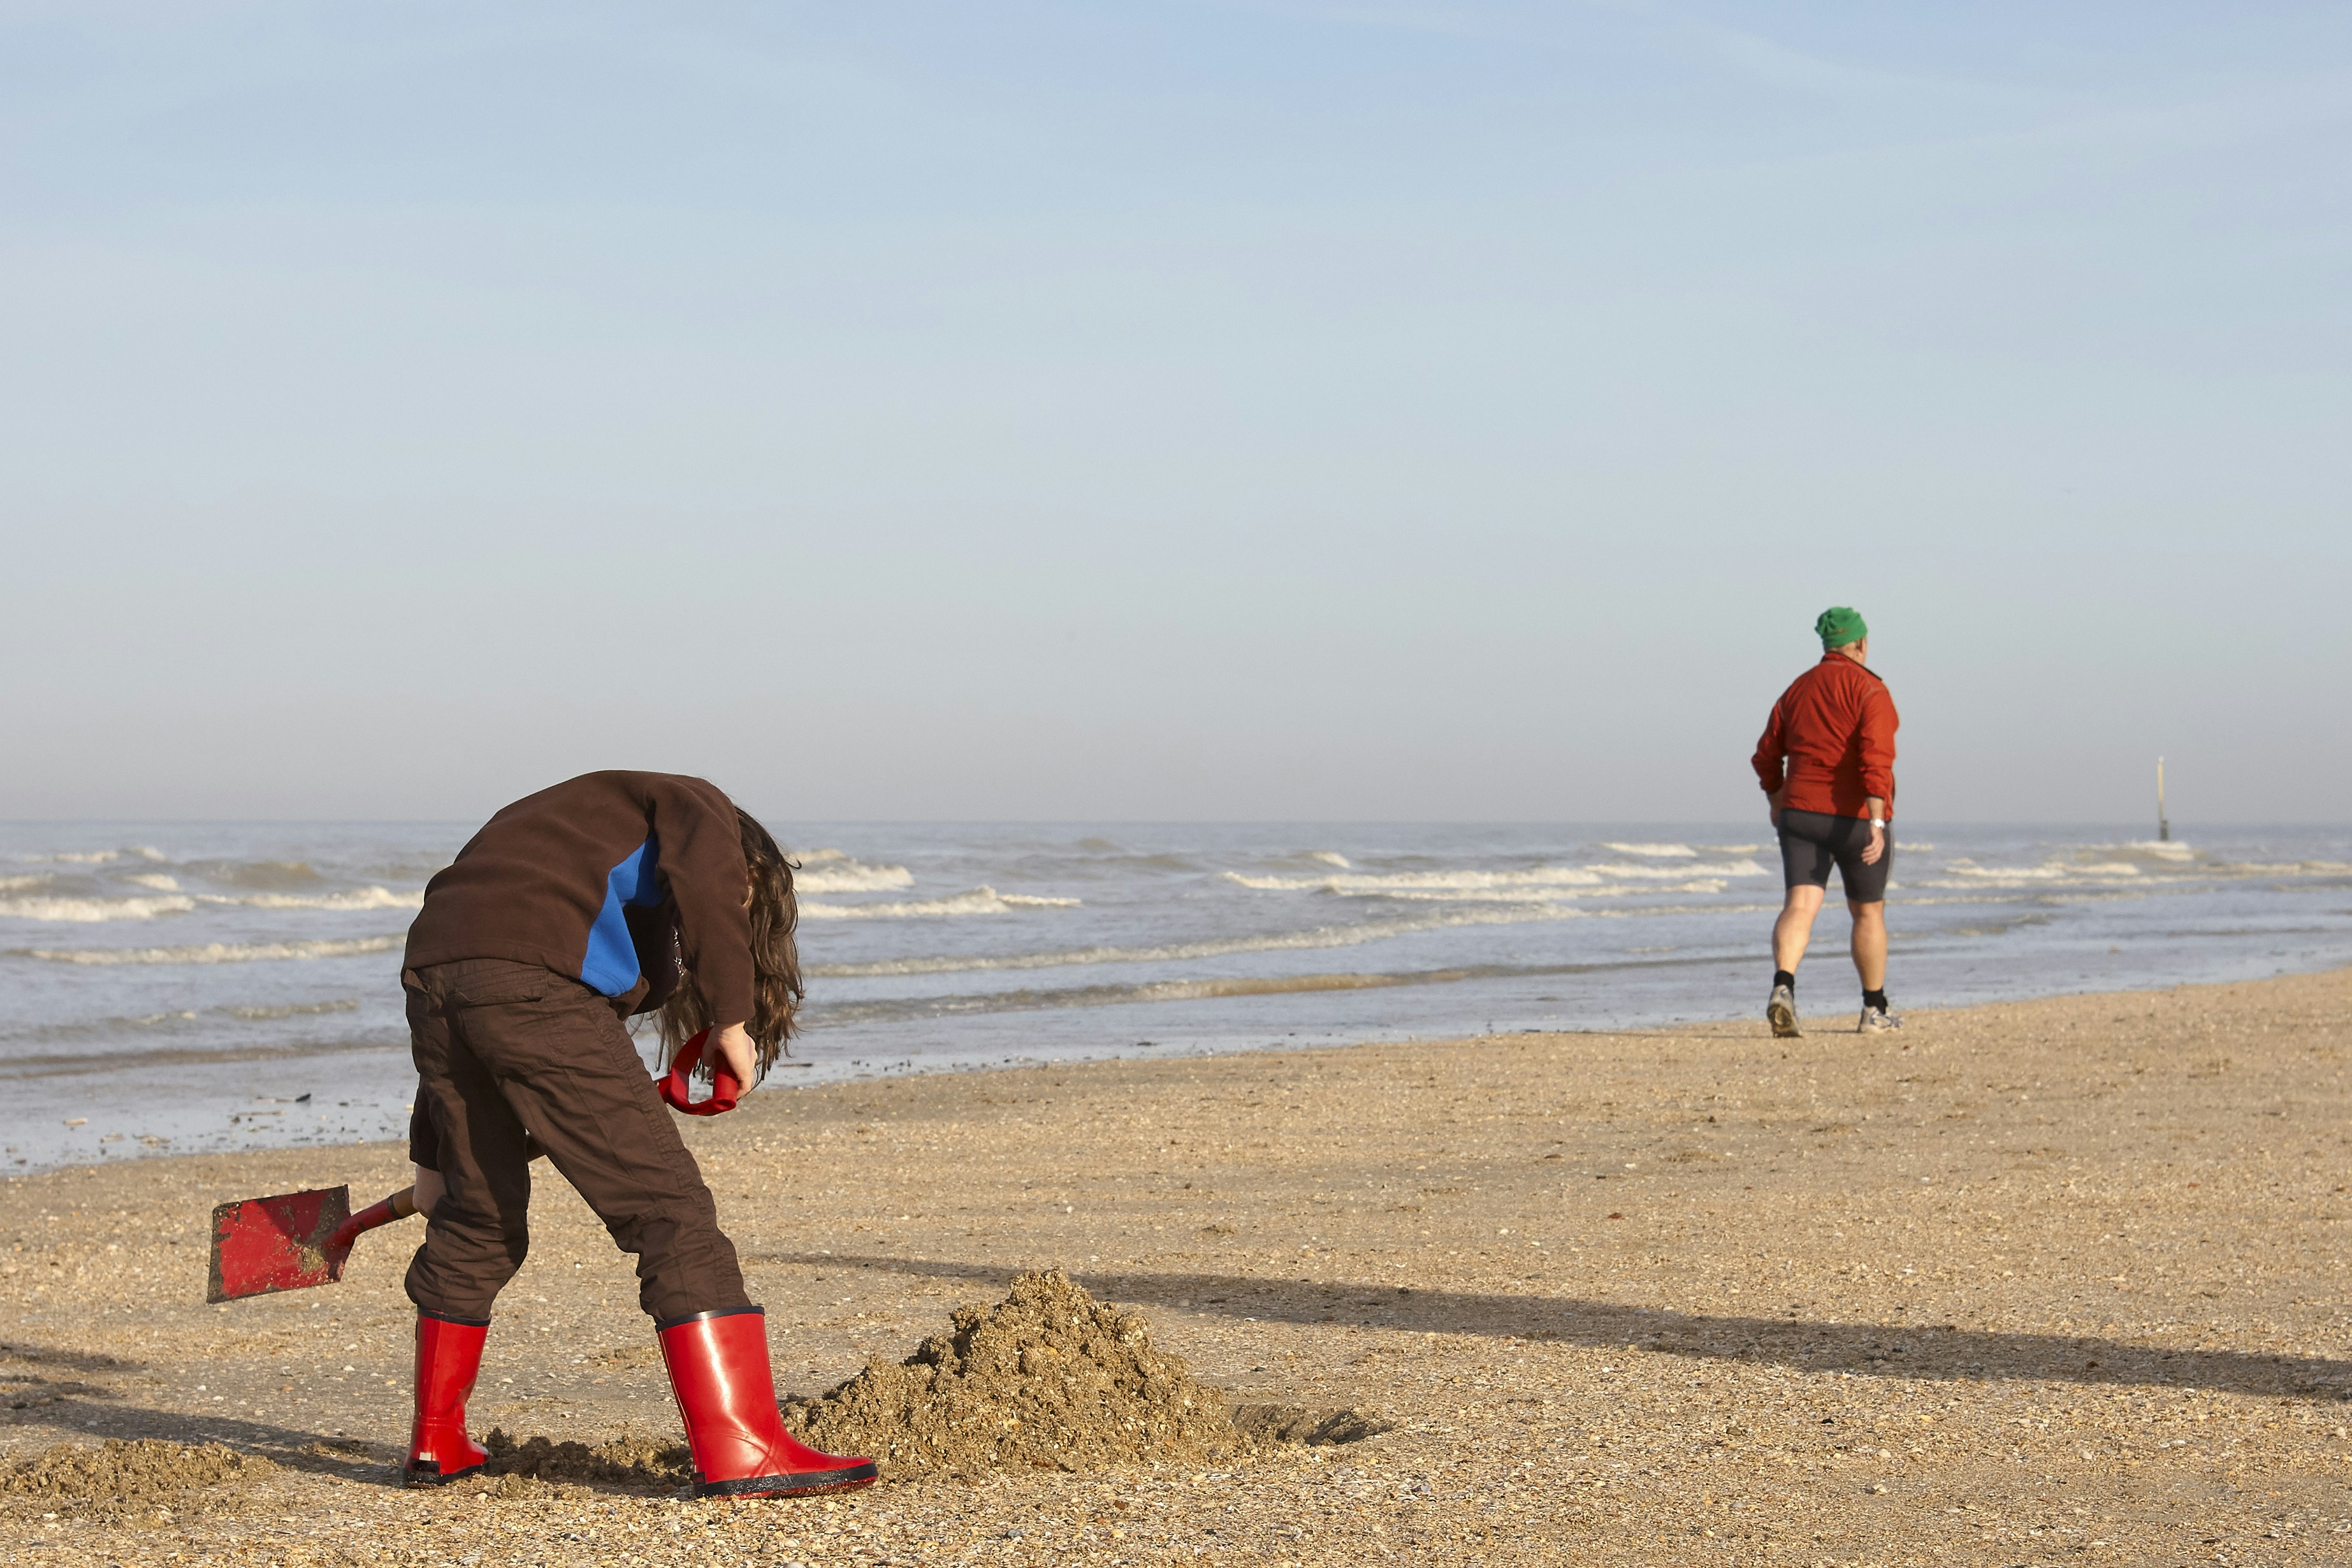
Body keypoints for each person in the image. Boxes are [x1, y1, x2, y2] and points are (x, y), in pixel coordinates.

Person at [395, 771, 875, 1497]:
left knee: (478, 1219)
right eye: (745, 898)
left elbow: (486, 982)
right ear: (741, 862)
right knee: (671, 1212)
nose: (734, 913)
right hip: (527, 985)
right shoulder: (697, 805)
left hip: (433, 975)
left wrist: (433, 1162)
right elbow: (705, 895)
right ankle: (744, 1448)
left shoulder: (575, 853)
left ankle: (436, 1444)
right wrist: (733, 1023)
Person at [1751, 608, 1901, 1038]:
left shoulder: (1797, 689)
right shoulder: (1871, 690)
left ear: (1826, 645)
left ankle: (1784, 985)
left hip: (1799, 813)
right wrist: (1876, 821)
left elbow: (1766, 754)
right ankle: (1873, 1010)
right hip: (1854, 818)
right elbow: (1877, 757)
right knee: (1867, 912)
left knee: (1800, 905)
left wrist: (1777, 799)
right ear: (1862, 644)